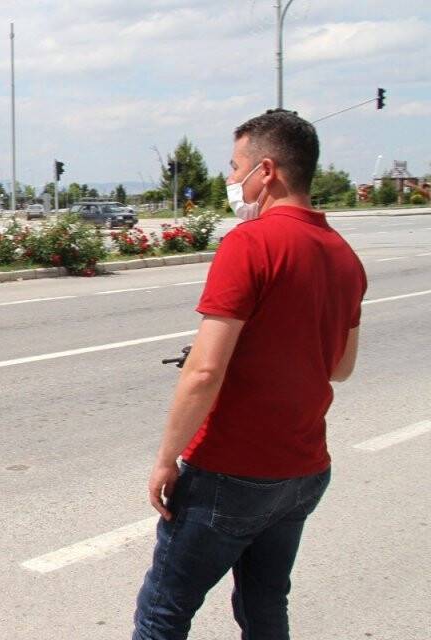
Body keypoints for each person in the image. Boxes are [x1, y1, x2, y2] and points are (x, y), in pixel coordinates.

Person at [133, 110, 366, 639]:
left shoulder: (250, 243)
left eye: (236, 168)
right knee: (264, 608)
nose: (231, 180)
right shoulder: (345, 256)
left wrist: (166, 460)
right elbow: (341, 367)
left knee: (162, 612)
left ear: (267, 171)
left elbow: (204, 370)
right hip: (304, 471)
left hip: (231, 471)